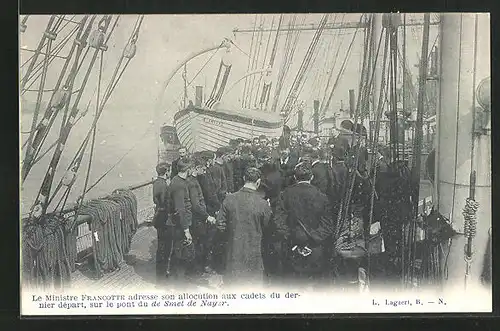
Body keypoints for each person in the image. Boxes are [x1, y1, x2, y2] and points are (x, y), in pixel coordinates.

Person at [274, 161, 335, 288]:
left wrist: (296, 242)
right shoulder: (321, 196)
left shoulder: (285, 195)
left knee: (292, 287)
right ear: (312, 177)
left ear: (295, 177)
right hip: (315, 249)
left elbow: (279, 222)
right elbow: (327, 226)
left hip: (292, 248)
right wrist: (311, 241)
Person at [216, 167, 273, 288]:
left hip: (233, 253)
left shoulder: (229, 199)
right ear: (258, 182)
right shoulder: (263, 204)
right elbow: (268, 228)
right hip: (254, 254)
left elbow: (220, 224)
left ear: (243, 179)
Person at [186, 157, 216, 276]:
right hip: (198, 218)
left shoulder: (192, 180)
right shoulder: (193, 183)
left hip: (196, 217)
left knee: (199, 242)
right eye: (203, 169)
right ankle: (197, 270)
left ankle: (197, 268)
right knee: (200, 243)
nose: (204, 171)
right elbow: (196, 204)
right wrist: (207, 216)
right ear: (197, 168)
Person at [168, 158, 194, 287]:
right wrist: (186, 230)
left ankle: (175, 280)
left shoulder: (177, 181)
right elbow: (180, 209)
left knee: (178, 251)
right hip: (179, 225)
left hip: (179, 223)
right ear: (187, 169)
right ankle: (178, 285)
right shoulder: (179, 185)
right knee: (180, 253)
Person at [152, 162, 173, 284]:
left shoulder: (156, 183)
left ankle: (160, 273)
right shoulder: (164, 185)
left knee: (161, 245)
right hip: (164, 217)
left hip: (158, 216)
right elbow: (166, 202)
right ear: (166, 172)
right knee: (165, 247)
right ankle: (163, 273)